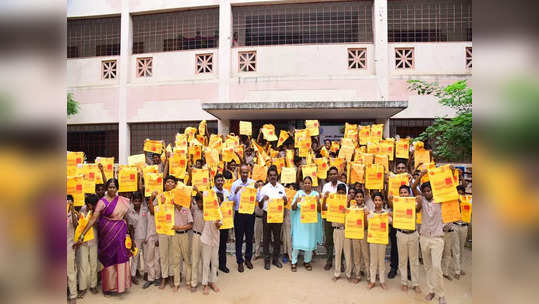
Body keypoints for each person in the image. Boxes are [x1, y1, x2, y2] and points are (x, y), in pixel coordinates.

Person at [74, 178, 134, 295]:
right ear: (107, 188)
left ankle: (121, 285)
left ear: (117, 188)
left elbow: (125, 218)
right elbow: (93, 219)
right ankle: (109, 287)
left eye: (114, 187)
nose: (112, 189)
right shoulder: (102, 202)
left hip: (120, 233)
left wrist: (128, 235)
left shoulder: (123, 200)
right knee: (108, 259)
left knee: (120, 257)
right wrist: (82, 235)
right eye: (110, 187)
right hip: (106, 236)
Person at [148, 175, 193, 292]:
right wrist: (152, 198)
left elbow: (187, 205)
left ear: (175, 184)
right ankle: (164, 278)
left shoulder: (178, 195)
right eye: (167, 182)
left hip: (174, 231)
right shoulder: (160, 195)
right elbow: (153, 212)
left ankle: (173, 278)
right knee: (163, 255)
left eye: (171, 182)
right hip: (163, 230)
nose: (169, 184)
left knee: (173, 256)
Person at [412, 172, 447, 304]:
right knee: (427, 266)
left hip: (437, 238)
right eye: (425, 191)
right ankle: (431, 290)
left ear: (433, 190)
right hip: (424, 238)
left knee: (437, 266)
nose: (427, 193)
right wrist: (421, 175)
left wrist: (450, 171)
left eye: (429, 190)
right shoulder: (422, 201)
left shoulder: (440, 200)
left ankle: (441, 294)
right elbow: (413, 187)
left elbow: (447, 187)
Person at [388, 185, 422, 293]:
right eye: (401, 193)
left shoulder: (413, 203)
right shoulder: (397, 204)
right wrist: (389, 198)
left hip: (413, 234)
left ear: (409, 193)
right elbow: (391, 205)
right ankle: (404, 283)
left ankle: (416, 284)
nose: (403, 194)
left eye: (405, 192)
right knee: (402, 260)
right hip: (401, 234)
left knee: (414, 260)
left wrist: (419, 199)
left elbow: (418, 208)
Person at [257, 166, 288, 270]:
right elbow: (260, 206)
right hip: (267, 215)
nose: (273, 177)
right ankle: (267, 260)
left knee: (277, 238)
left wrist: (285, 200)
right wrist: (263, 200)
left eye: (274, 175)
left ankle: (275, 259)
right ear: (268, 177)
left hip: (278, 216)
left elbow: (286, 202)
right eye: (270, 175)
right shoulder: (264, 188)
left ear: (277, 176)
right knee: (266, 238)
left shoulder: (281, 188)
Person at [290, 176, 323, 272]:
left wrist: (318, 202)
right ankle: (294, 261)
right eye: (305, 183)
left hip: (310, 225)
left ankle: (307, 261)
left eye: (309, 183)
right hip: (299, 224)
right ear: (302, 184)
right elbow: (293, 208)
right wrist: (296, 201)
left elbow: (319, 210)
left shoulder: (315, 194)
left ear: (312, 184)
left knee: (309, 242)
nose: (307, 184)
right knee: (296, 243)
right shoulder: (299, 194)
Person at [387, 159, 411, 279]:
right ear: (396, 170)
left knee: (408, 248)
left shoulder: (410, 184)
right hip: (396, 220)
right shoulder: (392, 182)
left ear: (406, 170)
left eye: (403, 168)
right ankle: (393, 267)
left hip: (408, 222)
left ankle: (408, 270)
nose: (401, 170)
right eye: (399, 168)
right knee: (395, 247)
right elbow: (390, 202)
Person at [321, 167, 347, 271]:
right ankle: (329, 261)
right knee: (329, 240)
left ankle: (340, 262)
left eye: (334, 174)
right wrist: (326, 197)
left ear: (338, 175)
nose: (333, 176)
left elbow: (346, 200)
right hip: (328, 215)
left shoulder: (343, 185)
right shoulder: (326, 186)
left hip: (340, 217)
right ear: (328, 176)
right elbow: (323, 201)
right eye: (331, 174)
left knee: (340, 240)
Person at [230, 164, 255, 272]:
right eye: (243, 172)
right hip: (239, 214)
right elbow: (230, 199)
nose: (245, 174)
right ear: (240, 173)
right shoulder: (235, 184)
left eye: (246, 172)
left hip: (250, 213)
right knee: (239, 239)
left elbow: (257, 198)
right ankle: (239, 261)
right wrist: (235, 192)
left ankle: (248, 259)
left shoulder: (252, 183)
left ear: (248, 173)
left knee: (249, 238)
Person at [322, 183, 349, 281]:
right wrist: (325, 198)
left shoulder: (348, 201)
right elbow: (324, 208)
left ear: (345, 193)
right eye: (339, 192)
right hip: (336, 228)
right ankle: (335, 269)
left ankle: (346, 271)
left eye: (343, 193)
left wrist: (348, 202)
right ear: (336, 192)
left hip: (346, 230)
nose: (341, 194)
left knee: (346, 252)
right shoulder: (332, 200)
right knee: (336, 249)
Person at [367, 192, 393, 290]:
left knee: (381, 261)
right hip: (373, 239)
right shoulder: (370, 213)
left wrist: (391, 214)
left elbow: (393, 222)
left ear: (382, 201)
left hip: (382, 239)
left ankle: (382, 281)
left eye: (379, 200)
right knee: (373, 261)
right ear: (373, 201)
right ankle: (372, 281)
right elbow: (367, 223)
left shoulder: (385, 213)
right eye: (376, 200)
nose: (377, 202)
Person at [76, 194, 99, 296]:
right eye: (90, 205)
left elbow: (99, 227)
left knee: (94, 264)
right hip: (83, 242)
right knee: (83, 265)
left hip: (94, 241)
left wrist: (94, 219)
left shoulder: (98, 211)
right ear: (86, 204)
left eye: (94, 205)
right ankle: (82, 287)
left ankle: (93, 285)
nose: (92, 207)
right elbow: (79, 225)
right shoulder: (82, 210)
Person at [201, 192, 223, 295]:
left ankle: (212, 282)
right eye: (215, 199)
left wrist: (217, 224)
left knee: (214, 262)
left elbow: (219, 227)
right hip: (206, 239)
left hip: (215, 240)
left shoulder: (220, 213)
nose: (216, 201)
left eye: (218, 200)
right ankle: (205, 284)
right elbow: (204, 197)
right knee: (205, 263)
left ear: (220, 202)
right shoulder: (207, 210)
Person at [349, 191, 370, 283]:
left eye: (361, 196)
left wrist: (365, 215)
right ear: (355, 198)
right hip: (354, 234)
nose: (359, 198)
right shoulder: (352, 208)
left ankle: (369, 276)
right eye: (357, 197)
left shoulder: (366, 209)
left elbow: (366, 226)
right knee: (356, 255)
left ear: (363, 198)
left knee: (365, 255)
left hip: (364, 233)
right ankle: (357, 275)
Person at [213, 173, 232, 273]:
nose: (220, 182)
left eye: (221, 180)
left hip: (225, 222)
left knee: (223, 245)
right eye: (218, 180)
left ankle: (222, 265)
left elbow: (230, 204)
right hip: (214, 223)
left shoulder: (227, 192)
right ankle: (213, 267)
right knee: (214, 246)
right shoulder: (211, 192)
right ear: (214, 181)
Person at [127, 191, 147, 285]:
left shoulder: (145, 209)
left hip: (146, 236)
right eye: (135, 201)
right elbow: (130, 228)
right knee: (135, 258)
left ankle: (146, 273)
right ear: (132, 201)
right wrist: (132, 240)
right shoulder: (130, 212)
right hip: (136, 238)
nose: (137, 203)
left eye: (139, 201)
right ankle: (133, 275)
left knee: (147, 257)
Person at [142, 192, 161, 289]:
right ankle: (151, 278)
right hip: (149, 237)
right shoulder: (147, 211)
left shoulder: (158, 210)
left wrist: (158, 238)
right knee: (149, 258)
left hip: (157, 237)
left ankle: (158, 277)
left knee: (157, 258)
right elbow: (145, 226)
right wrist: (146, 237)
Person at [453, 185, 469, 279]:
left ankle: (460, 267)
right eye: (458, 192)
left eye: (461, 192)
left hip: (464, 226)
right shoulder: (452, 203)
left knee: (461, 249)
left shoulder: (467, 202)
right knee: (456, 249)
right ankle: (457, 270)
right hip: (455, 226)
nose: (460, 194)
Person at [190, 192, 204, 291]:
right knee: (195, 260)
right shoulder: (194, 208)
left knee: (205, 261)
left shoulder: (208, 209)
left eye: (202, 202)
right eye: (199, 202)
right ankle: (194, 283)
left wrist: (198, 190)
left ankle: (204, 282)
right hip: (196, 235)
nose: (201, 204)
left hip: (206, 237)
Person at [67, 195, 78, 303]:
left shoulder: (73, 214)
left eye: (69, 202)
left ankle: (73, 295)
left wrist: (72, 209)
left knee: (70, 272)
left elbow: (76, 225)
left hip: (69, 247)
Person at [253, 180, 265, 260]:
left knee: (265, 237)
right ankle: (257, 253)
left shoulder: (266, 195)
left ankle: (265, 253)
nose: (260, 186)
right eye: (259, 185)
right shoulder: (254, 195)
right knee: (257, 237)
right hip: (257, 218)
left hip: (265, 218)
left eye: (262, 185)